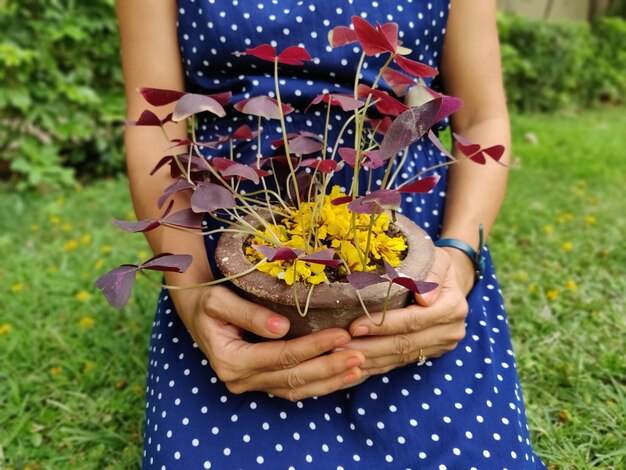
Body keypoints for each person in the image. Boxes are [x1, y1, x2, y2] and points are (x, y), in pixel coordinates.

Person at [116, 0, 546, 468]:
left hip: (412, 246)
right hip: (239, 239)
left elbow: (481, 119)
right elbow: (155, 123)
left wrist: (459, 258)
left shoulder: (436, 263)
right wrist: (192, 293)